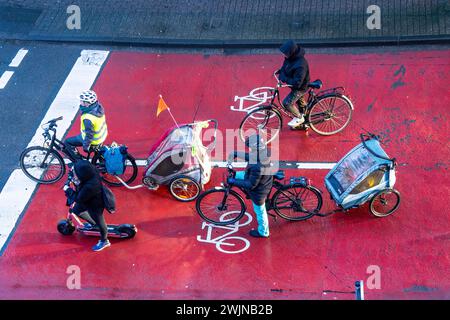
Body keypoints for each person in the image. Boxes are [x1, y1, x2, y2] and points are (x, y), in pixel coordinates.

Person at [227, 134, 273, 238]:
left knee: (260, 212)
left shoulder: (258, 166)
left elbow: (251, 185)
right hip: (259, 178)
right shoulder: (261, 152)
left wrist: (233, 181)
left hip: (259, 191)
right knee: (237, 175)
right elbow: (251, 157)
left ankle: (264, 232)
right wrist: (236, 153)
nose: (249, 149)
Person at [64, 160, 111, 251]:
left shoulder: (91, 186)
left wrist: (68, 190)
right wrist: (72, 177)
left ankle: (104, 241)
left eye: (76, 173)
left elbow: (78, 198)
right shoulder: (90, 173)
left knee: (100, 222)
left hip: (95, 204)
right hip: (87, 200)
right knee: (76, 210)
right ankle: (94, 224)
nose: (75, 174)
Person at [64, 90, 108, 161]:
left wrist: (86, 146)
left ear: (87, 104)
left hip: (94, 140)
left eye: (82, 101)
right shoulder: (99, 107)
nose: (80, 102)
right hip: (101, 136)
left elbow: (89, 134)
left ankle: (79, 161)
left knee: (67, 142)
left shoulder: (87, 118)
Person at [276, 40, 310, 129]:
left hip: (300, 88)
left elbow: (297, 83)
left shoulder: (300, 65)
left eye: (285, 53)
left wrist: (284, 78)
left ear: (291, 52)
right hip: (296, 85)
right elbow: (286, 66)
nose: (284, 55)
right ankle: (305, 123)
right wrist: (281, 71)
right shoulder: (291, 57)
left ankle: (299, 118)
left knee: (287, 103)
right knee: (301, 103)